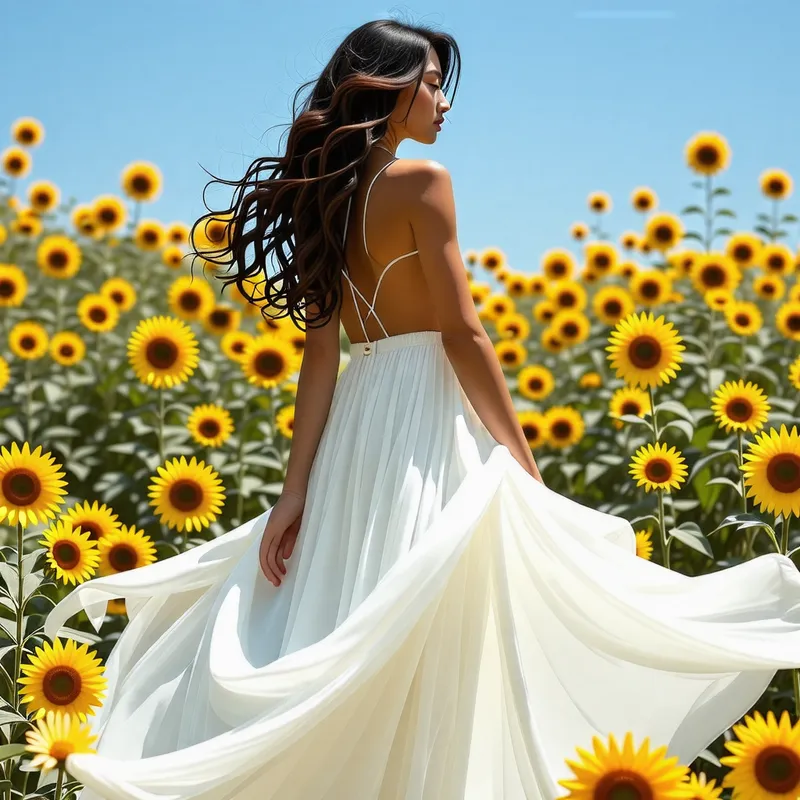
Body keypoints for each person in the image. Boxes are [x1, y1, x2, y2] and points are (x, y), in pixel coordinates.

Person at [45, 18, 800, 800]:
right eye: (431, 83)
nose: (443, 102)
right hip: (425, 426)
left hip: (357, 433)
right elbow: (463, 332)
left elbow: (320, 357)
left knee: (355, 618)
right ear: (385, 89)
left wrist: (295, 491)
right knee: (435, 628)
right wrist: (522, 463)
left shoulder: (327, 199)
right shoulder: (423, 184)